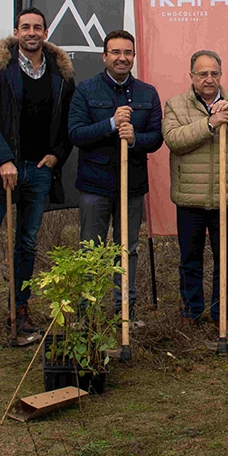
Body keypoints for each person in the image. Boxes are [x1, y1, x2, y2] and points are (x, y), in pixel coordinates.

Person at [0, 7, 76, 353]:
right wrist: (3, 159)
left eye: (37, 27)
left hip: (38, 171)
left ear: (45, 32)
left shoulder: (60, 71)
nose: (31, 32)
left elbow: (70, 119)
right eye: (25, 27)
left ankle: (19, 311)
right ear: (16, 31)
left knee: (26, 244)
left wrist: (56, 155)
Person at [162, 50, 228, 326]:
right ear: (192, 76)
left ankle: (222, 313)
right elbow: (173, 139)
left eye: (214, 73)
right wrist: (209, 123)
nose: (209, 79)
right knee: (190, 260)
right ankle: (192, 312)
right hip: (190, 198)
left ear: (221, 75)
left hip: (225, 197)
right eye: (202, 74)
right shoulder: (175, 105)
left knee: (226, 260)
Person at [69, 29, 164, 324]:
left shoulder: (147, 93)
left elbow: (157, 137)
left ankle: (125, 311)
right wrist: (110, 124)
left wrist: (135, 138)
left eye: (128, 53)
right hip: (94, 186)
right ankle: (88, 315)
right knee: (91, 250)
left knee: (127, 250)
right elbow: (76, 134)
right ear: (105, 56)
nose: (122, 58)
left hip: (131, 186)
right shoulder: (86, 90)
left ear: (133, 56)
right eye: (116, 53)